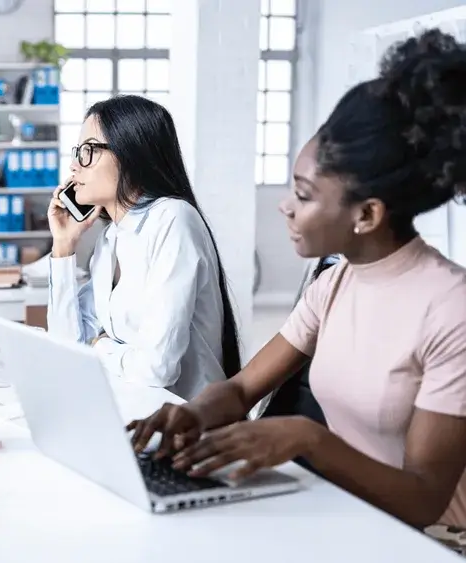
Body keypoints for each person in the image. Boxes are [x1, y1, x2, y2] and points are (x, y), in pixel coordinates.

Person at [129, 29, 466, 545]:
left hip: (434, 538)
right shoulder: (333, 284)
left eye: (304, 195)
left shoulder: (450, 308)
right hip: (350, 513)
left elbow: (424, 498)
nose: (286, 206)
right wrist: (193, 413)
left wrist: (308, 438)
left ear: (367, 214)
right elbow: (243, 389)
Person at [46, 95, 241, 400]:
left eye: (88, 151)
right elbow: (66, 345)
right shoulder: (111, 239)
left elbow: (157, 369)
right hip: (135, 405)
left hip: (187, 422)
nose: (73, 166)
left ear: (130, 154)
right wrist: (63, 245)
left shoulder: (173, 219)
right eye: (77, 152)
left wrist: (100, 346)